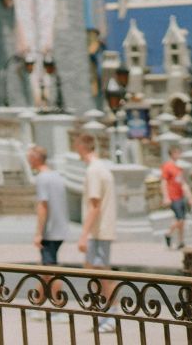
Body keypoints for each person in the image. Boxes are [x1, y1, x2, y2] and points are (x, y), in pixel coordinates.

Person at [77, 132, 118, 330]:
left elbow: (95, 205)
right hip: (102, 230)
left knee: (101, 274)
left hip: (98, 231)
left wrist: (84, 234)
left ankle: (110, 316)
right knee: (96, 271)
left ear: (82, 147)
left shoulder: (93, 171)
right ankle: (105, 313)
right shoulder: (102, 168)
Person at [30, 146, 69, 266]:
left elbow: (43, 206)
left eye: (29, 158)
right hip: (60, 229)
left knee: (49, 271)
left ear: (35, 159)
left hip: (50, 231)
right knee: (48, 269)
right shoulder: (57, 176)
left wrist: (39, 233)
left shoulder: (42, 178)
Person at [160, 143, 188, 250]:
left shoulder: (178, 168)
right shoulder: (167, 166)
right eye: (177, 153)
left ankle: (181, 241)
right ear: (172, 154)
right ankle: (168, 233)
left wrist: (189, 197)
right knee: (179, 219)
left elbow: (182, 183)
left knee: (182, 221)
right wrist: (166, 197)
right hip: (173, 197)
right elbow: (163, 182)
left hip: (180, 196)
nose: (179, 155)